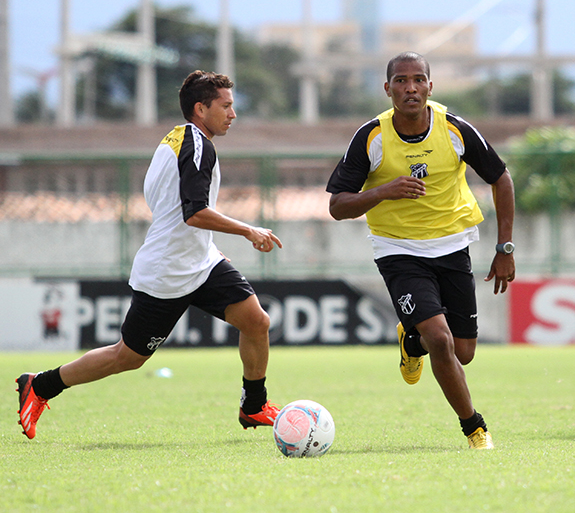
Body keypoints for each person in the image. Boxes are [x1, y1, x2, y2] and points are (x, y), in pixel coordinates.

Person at [16, 70, 283, 440]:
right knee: (127, 357)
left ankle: (254, 405)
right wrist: (248, 230)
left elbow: (171, 206)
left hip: (201, 263)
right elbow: (194, 212)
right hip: (168, 272)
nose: (233, 114)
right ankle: (41, 385)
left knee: (256, 322)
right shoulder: (198, 146)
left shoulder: (174, 139)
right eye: (226, 106)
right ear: (200, 108)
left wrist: (205, 244)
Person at [325, 52, 515, 449]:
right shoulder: (371, 137)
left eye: (418, 80)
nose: (410, 88)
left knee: (462, 353)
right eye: (400, 80)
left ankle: (411, 340)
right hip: (398, 250)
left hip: (452, 245)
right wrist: (382, 191)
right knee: (441, 341)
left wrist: (505, 248)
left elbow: (501, 178)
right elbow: (338, 206)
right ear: (387, 87)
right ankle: (475, 428)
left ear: (431, 86)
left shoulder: (455, 130)